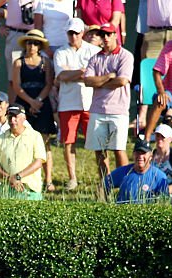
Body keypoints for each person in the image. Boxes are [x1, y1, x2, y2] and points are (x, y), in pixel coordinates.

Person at [83, 23, 133, 182]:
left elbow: (122, 80)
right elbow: (88, 81)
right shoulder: (95, 57)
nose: (105, 38)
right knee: (99, 151)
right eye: (102, 34)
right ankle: (107, 184)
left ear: (115, 35)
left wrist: (100, 82)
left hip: (119, 110)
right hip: (98, 109)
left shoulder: (125, 55)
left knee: (119, 149)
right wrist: (109, 76)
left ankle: (124, 184)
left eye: (108, 34)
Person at [54, 18, 99, 191]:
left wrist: (72, 73)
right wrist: (82, 72)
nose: (73, 36)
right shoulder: (60, 52)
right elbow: (61, 76)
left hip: (90, 101)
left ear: (83, 33)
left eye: (76, 33)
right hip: (68, 102)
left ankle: (101, 175)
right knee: (68, 141)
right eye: (70, 33)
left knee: (96, 141)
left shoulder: (94, 51)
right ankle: (72, 178)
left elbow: (94, 75)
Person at [11, 29, 56, 191]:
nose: (32, 45)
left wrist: (37, 101)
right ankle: (22, 177)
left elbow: (48, 83)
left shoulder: (46, 62)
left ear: (40, 46)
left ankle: (48, 180)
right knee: (21, 140)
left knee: (44, 142)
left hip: (42, 103)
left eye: (36, 43)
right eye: (30, 42)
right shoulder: (18, 62)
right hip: (23, 103)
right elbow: (16, 86)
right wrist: (30, 102)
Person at [0, 103, 46, 199]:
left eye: (15, 117)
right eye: (10, 117)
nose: (12, 120)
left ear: (24, 118)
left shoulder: (35, 136)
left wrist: (18, 176)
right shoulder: (0, 138)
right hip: (7, 189)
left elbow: (39, 162)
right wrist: (9, 178)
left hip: (29, 190)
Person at [103, 139, 171, 203]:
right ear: (133, 154)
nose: (140, 156)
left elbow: (164, 201)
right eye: (138, 153)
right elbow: (103, 185)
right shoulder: (122, 172)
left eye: (143, 153)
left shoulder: (159, 176)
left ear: (151, 156)